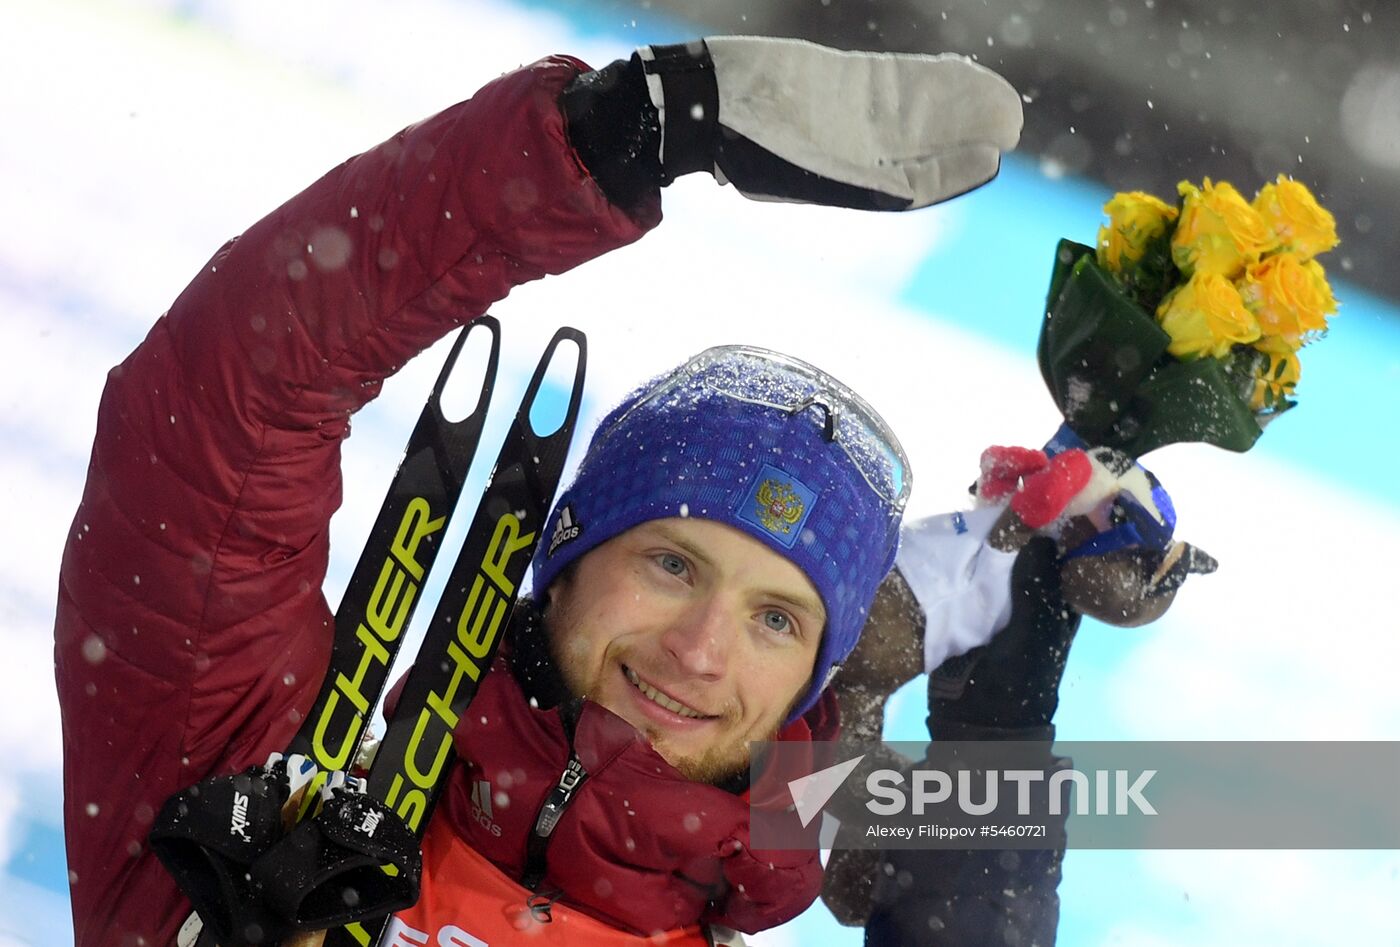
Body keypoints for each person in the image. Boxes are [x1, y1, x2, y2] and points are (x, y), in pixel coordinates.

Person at [53, 33, 1202, 947]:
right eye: (670, 562)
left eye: (775, 617)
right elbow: (215, 408)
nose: (700, 649)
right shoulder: (251, 800)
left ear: (820, 683)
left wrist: (993, 750)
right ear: (560, 558)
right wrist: (609, 141)